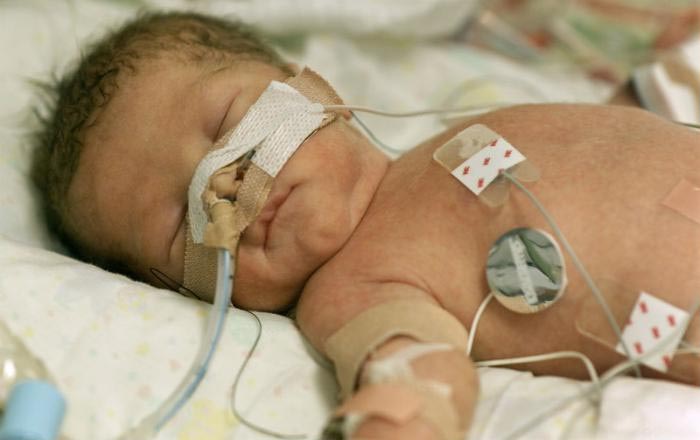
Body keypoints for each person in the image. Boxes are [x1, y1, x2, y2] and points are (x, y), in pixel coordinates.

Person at [31, 11, 700, 440]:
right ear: (190, 288)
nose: (224, 179)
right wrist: (396, 419)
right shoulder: (352, 290)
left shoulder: (448, 135)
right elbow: (414, 368)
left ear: (311, 89)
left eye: (226, 120)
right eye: (180, 218)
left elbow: (627, 125)